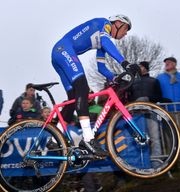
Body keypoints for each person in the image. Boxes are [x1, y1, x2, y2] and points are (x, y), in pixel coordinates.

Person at [51, 15, 140, 157]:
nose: (126, 33)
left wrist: (115, 78)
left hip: (59, 53)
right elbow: (106, 42)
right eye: (126, 29)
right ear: (118, 23)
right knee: (82, 89)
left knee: (73, 99)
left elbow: (101, 68)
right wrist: (126, 64)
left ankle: (53, 139)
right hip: (63, 50)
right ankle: (88, 138)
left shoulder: (102, 41)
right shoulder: (104, 24)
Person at [157, 57, 180, 170]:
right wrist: (162, 99)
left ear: (174, 64)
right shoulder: (160, 77)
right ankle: (173, 162)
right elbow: (157, 92)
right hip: (167, 111)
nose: (166, 64)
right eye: (165, 62)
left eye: (169, 62)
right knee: (170, 137)